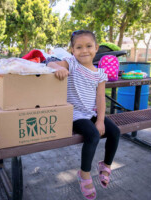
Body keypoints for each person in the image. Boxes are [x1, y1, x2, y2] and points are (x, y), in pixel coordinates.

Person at [48, 30, 120, 200]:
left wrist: (101, 120)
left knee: (115, 132)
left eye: (88, 46)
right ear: (72, 50)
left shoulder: (100, 74)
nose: (84, 50)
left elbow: (101, 98)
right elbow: (50, 65)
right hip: (74, 114)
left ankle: (105, 165)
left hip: (91, 112)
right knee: (93, 135)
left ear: (96, 48)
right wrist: (58, 68)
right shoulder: (71, 63)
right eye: (79, 47)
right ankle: (84, 174)